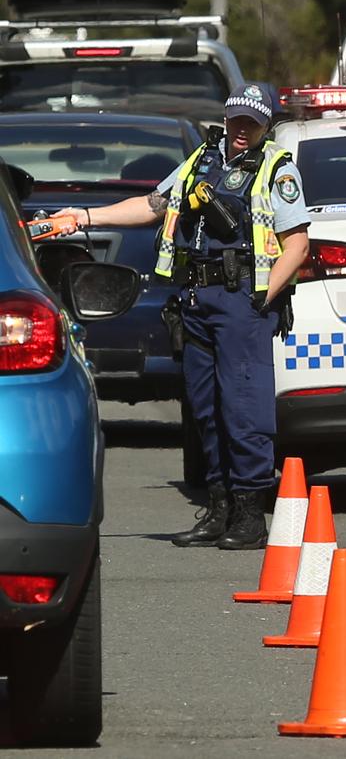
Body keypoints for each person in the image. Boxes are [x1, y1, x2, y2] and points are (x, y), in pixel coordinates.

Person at [55, 84, 310, 551]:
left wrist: (262, 298)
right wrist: (84, 217)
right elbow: (152, 206)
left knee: (244, 408)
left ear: (266, 125)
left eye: (251, 122)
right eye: (235, 118)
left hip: (241, 301)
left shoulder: (277, 170)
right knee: (205, 408)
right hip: (198, 298)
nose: (240, 128)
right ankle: (218, 508)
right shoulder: (202, 161)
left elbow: (297, 244)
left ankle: (250, 515)